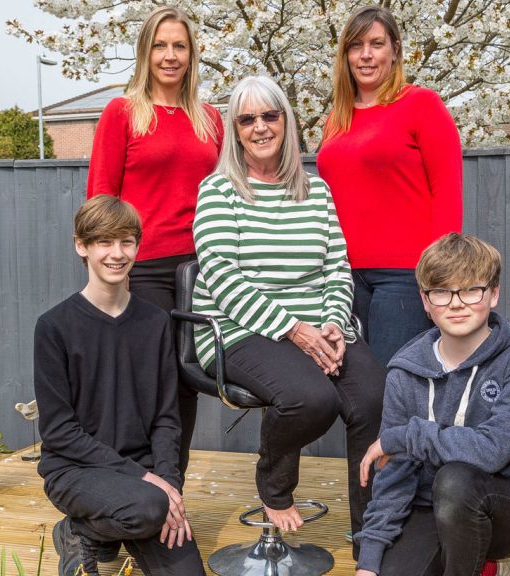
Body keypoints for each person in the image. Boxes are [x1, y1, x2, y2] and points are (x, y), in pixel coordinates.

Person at [191, 75, 386, 548]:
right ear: (236, 131)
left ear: (286, 121)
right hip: (237, 329)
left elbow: (337, 268)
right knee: (311, 398)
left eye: (270, 115)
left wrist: (335, 325)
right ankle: (274, 489)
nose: (260, 127)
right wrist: (295, 329)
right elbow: (222, 275)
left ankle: (372, 532)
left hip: (318, 326)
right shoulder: (218, 191)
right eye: (247, 119)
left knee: (377, 396)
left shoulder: (315, 192)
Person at [353, 233, 510, 576]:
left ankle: (492, 563)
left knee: (456, 481)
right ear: (425, 301)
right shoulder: (405, 371)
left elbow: (492, 450)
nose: (456, 303)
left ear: (493, 294)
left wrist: (403, 438)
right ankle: (480, 565)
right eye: (442, 292)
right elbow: (395, 477)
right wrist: (368, 562)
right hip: (429, 505)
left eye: (471, 290)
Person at [34, 195, 206, 576]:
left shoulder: (156, 322)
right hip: (75, 471)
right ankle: (81, 528)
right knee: (148, 508)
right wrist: (148, 483)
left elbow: (166, 417)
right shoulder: (54, 327)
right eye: (104, 242)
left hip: (143, 480)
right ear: (82, 246)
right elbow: (59, 432)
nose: (117, 253)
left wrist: (169, 484)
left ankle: (100, 531)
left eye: (126, 241)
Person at [86, 6, 223, 479]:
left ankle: (170, 488)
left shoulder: (209, 119)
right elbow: (101, 200)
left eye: (179, 46)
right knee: (143, 383)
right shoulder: (122, 113)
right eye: (160, 46)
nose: (170, 56)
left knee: (186, 384)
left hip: (200, 269)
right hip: (142, 268)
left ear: (191, 54)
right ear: (145, 52)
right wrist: (107, 269)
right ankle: (125, 488)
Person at [316, 5, 463, 367]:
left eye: (376, 43)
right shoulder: (337, 117)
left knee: (393, 386)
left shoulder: (421, 105)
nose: (366, 55)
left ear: (395, 49)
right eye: (356, 45)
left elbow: (447, 193)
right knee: (355, 391)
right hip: (342, 277)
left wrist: (437, 278)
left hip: (403, 277)